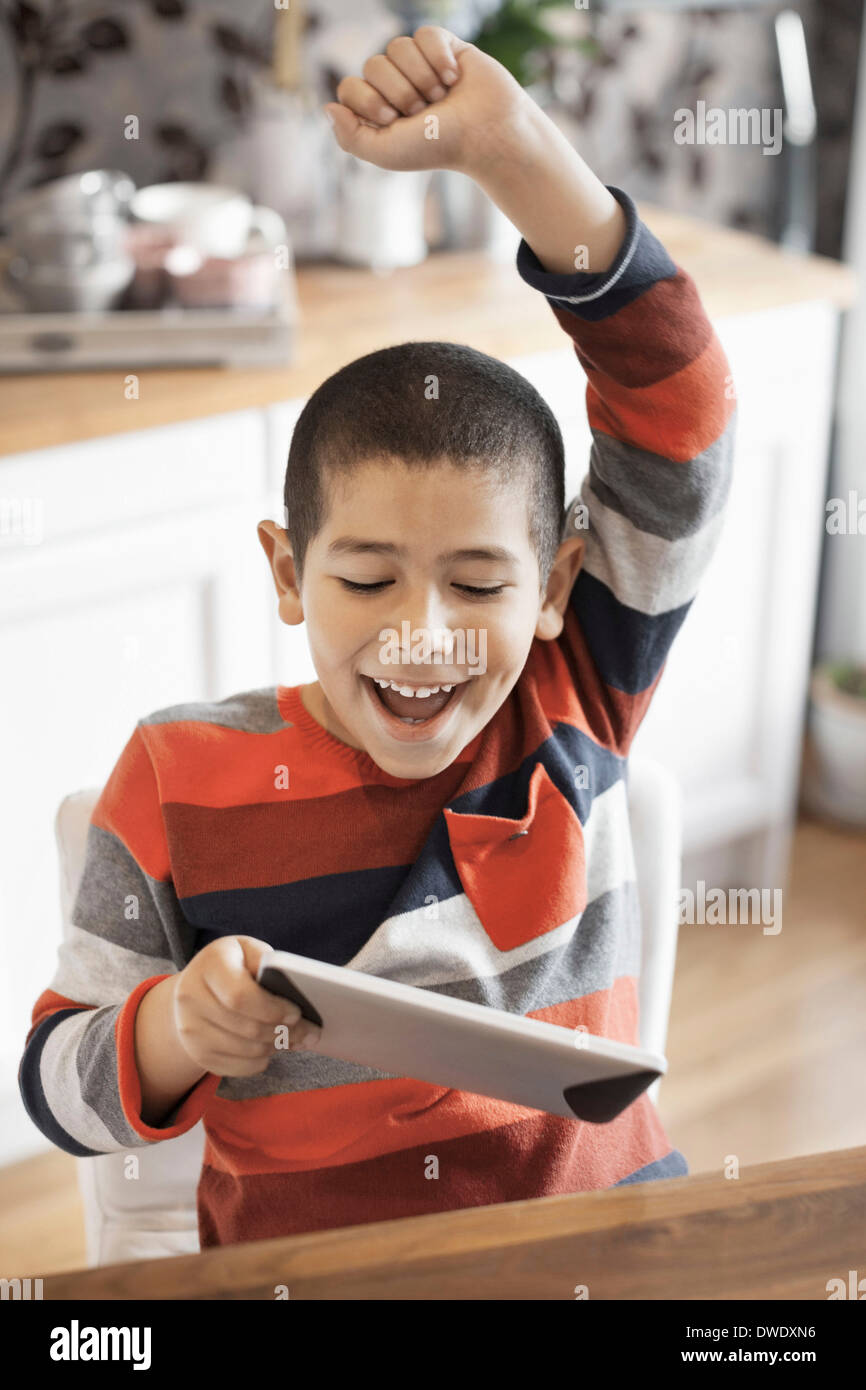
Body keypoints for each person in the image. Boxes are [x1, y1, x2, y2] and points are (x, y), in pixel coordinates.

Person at [19, 26, 736, 1247]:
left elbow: (679, 410)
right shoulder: (177, 775)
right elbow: (58, 1090)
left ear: (557, 581)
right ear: (290, 574)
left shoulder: (579, 687)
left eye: (474, 583)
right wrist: (175, 1031)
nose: (422, 635)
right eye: (365, 578)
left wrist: (512, 152)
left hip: (597, 1258)